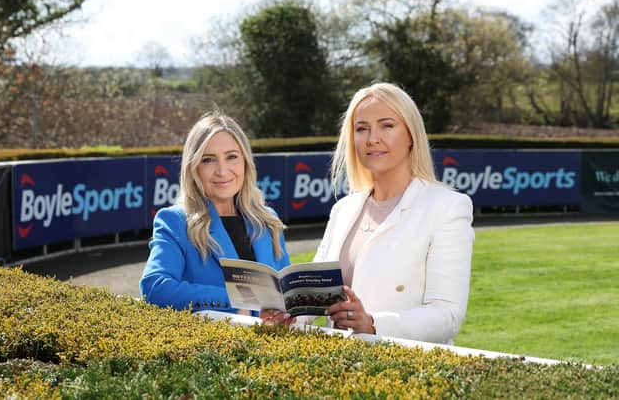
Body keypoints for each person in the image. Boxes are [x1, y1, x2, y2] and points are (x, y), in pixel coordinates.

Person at [313, 83, 474, 344]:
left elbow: (447, 315)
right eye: (361, 128)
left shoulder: (447, 207)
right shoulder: (343, 210)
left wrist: (373, 324)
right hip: (340, 372)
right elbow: (315, 292)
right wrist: (287, 313)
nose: (372, 138)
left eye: (387, 126)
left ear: (411, 135)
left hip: (407, 374)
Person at [140, 111, 292, 325]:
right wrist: (237, 300)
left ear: (245, 163)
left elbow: (286, 292)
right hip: (217, 352)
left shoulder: (268, 221)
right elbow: (154, 287)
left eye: (232, 157)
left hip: (275, 353)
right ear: (194, 168)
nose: (222, 170)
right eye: (208, 160)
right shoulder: (175, 222)